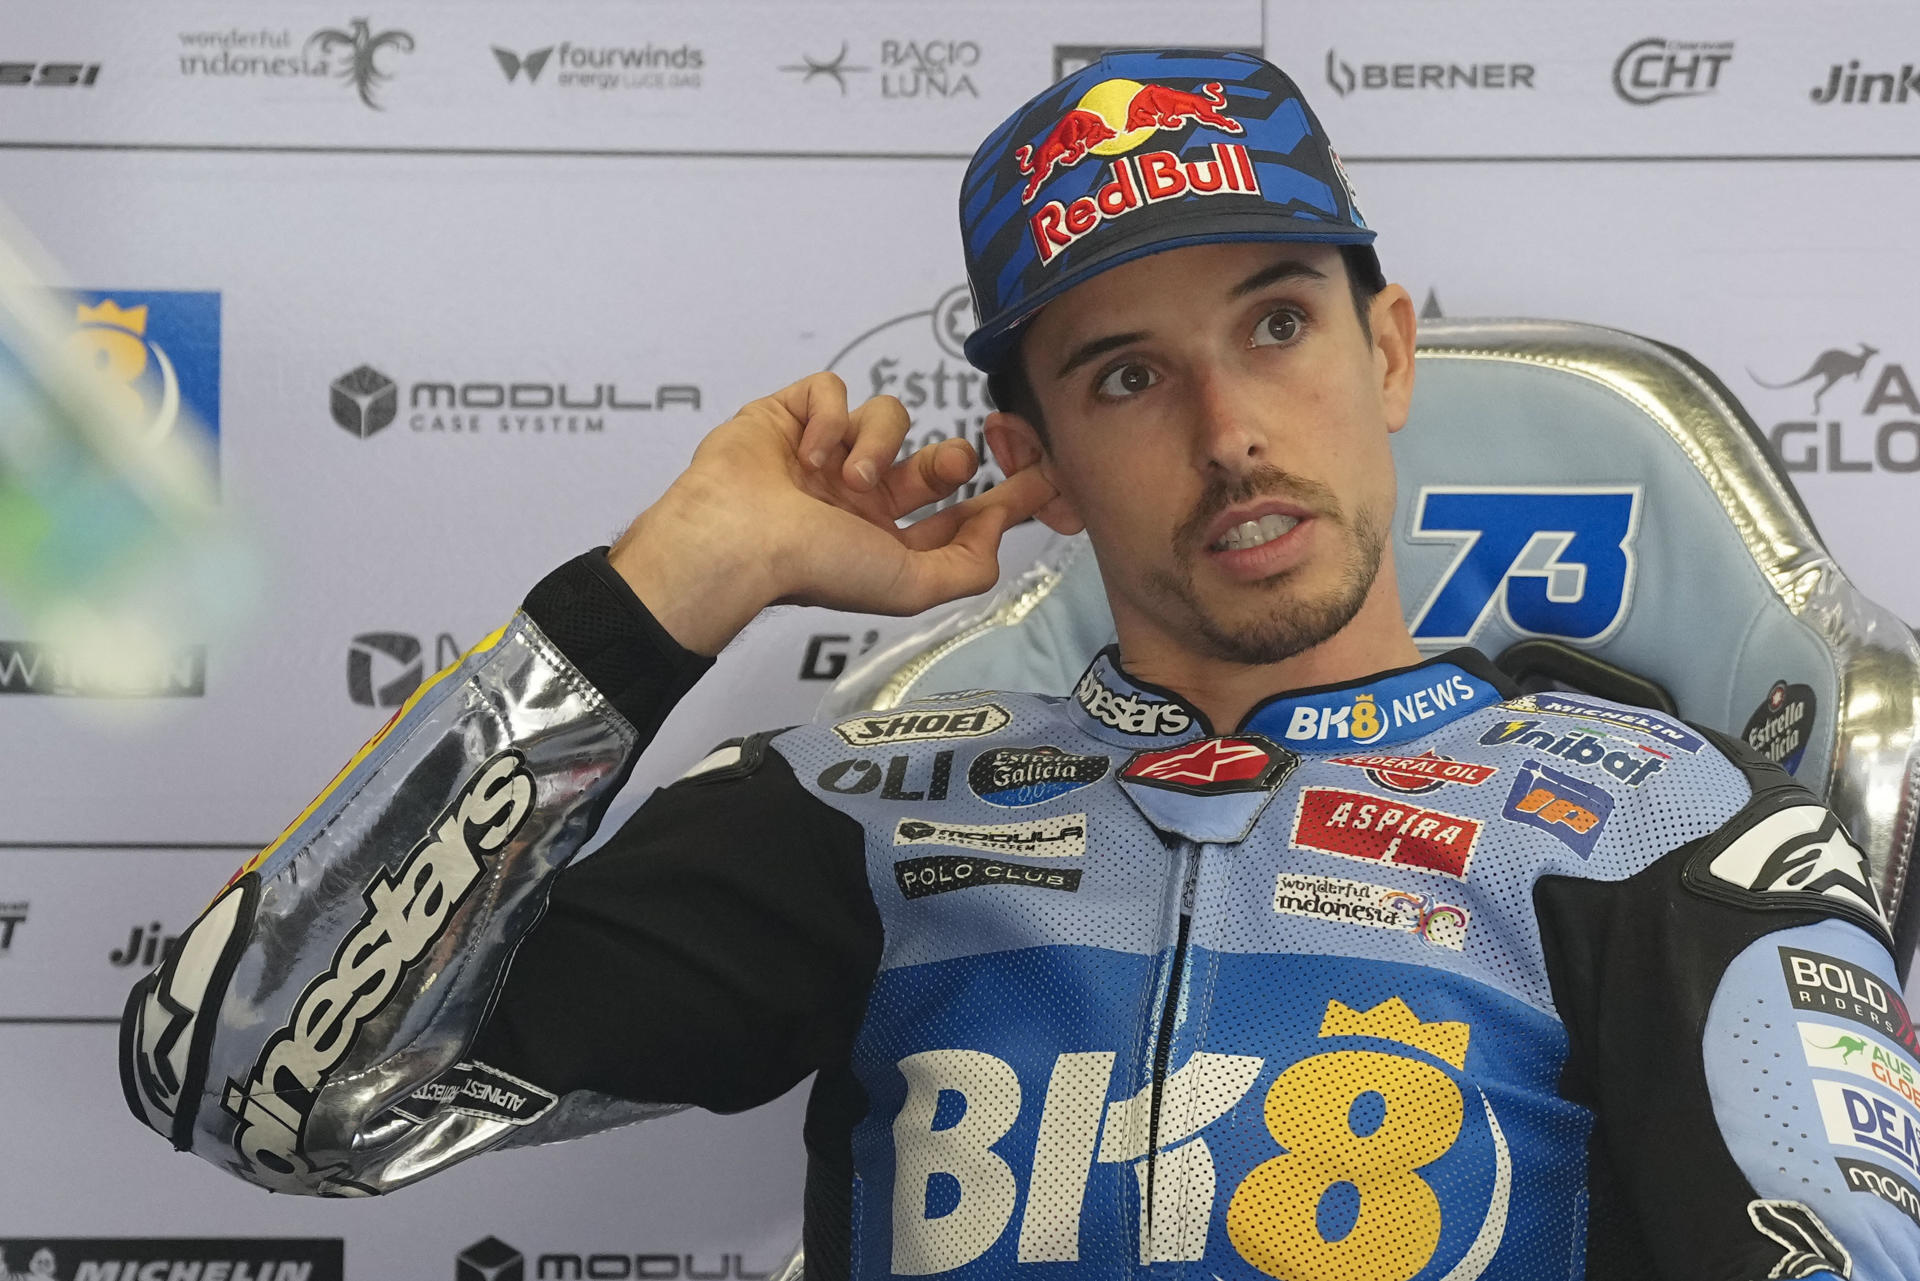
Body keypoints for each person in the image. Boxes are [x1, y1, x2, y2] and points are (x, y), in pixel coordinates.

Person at [120, 49, 1920, 1281]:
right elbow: (265, 1085)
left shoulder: (1670, 826)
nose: (1229, 432)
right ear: (1037, 450)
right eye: (1126, 373)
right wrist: (675, 583)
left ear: (1387, 350)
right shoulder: (876, 808)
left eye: (1276, 326)